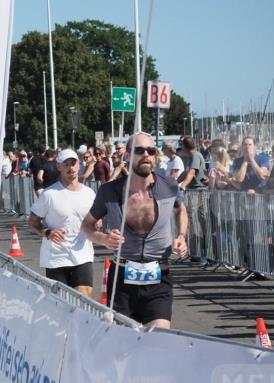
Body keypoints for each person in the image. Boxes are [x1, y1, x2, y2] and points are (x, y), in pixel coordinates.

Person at [81, 133, 188, 328]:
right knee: (124, 340)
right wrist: (103, 238)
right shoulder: (109, 191)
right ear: (127, 156)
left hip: (159, 276)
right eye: (139, 150)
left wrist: (181, 235)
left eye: (151, 151)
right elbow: (86, 226)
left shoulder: (169, 186)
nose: (146, 155)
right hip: (122, 278)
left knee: (159, 337)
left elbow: (181, 209)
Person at [28, 149, 97, 297]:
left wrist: (97, 223)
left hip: (82, 253)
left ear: (79, 165)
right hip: (57, 257)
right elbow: (32, 221)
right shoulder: (49, 194)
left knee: (83, 298)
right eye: (66, 164)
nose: (70, 167)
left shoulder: (89, 193)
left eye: (73, 163)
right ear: (58, 167)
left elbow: (96, 219)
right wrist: (47, 232)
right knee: (62, 302)